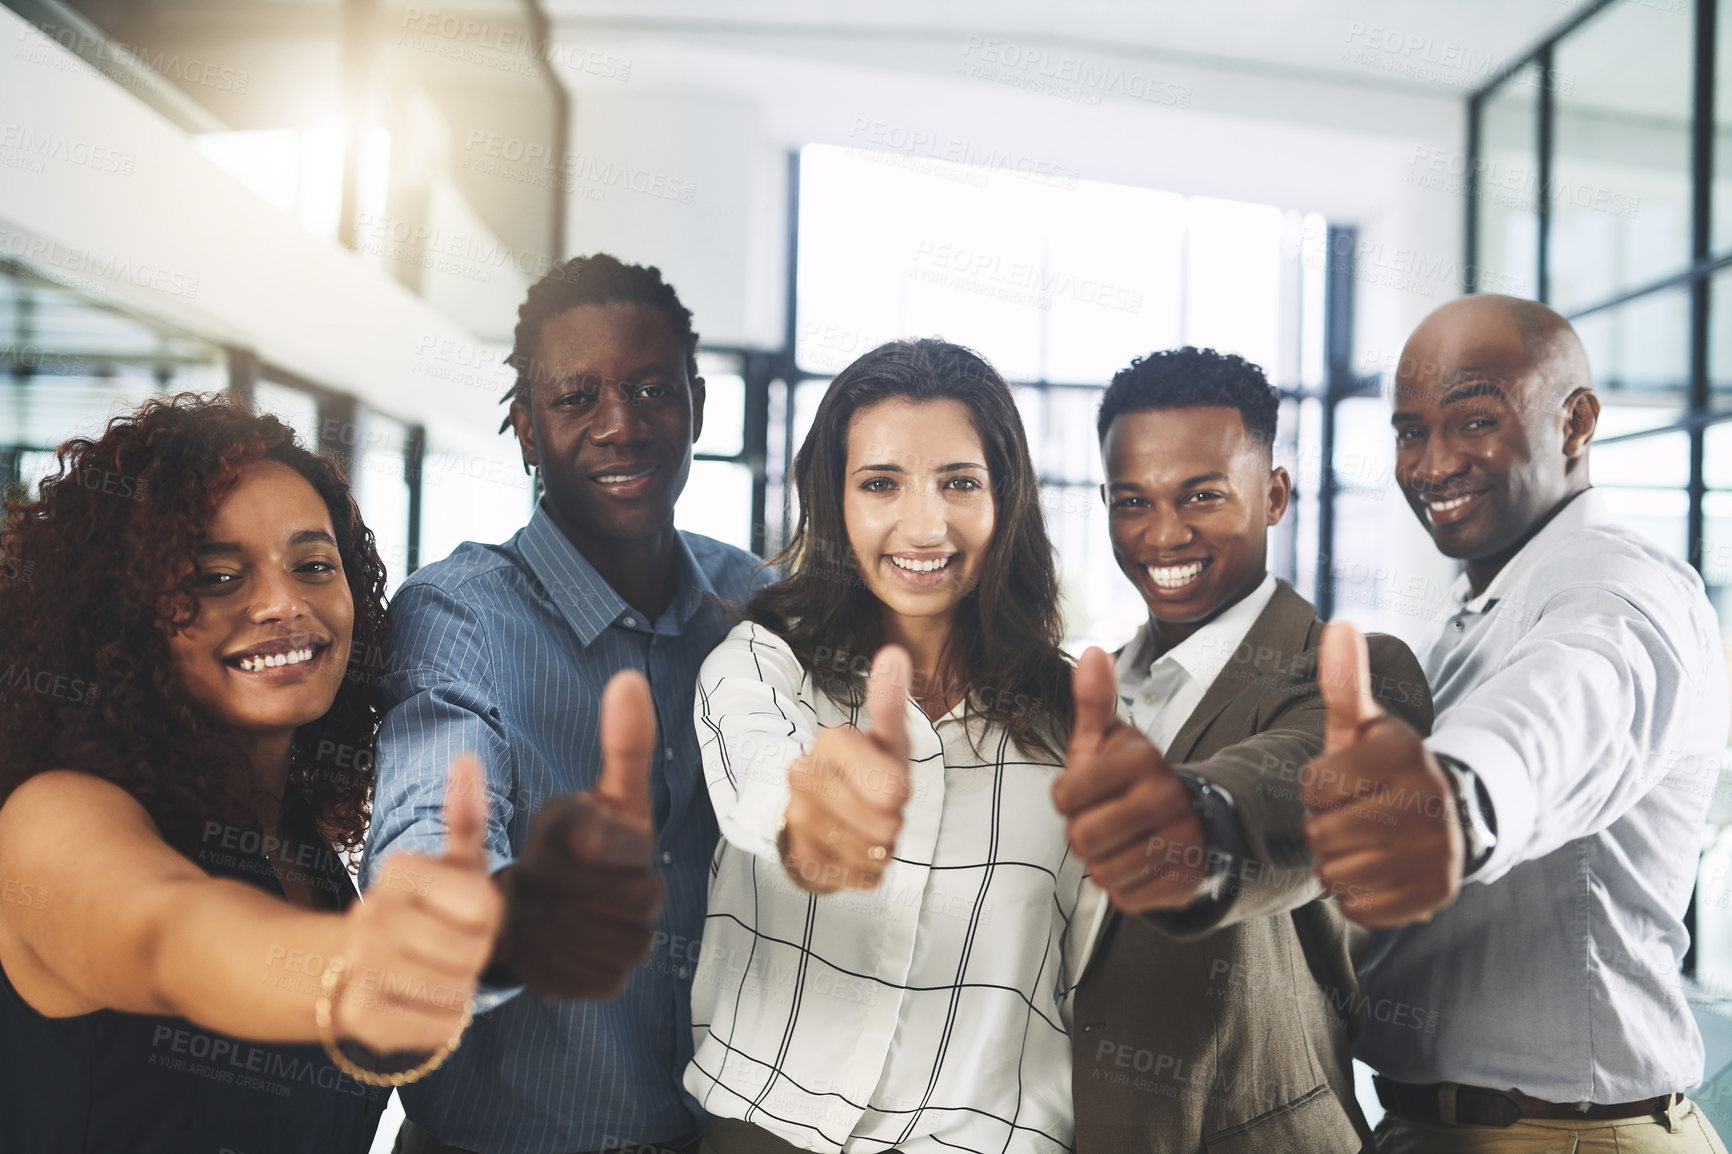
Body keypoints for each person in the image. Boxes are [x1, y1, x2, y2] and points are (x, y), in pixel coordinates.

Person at [0, 395, 503, 1153]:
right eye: (216, 576)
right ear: (120, 611)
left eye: (312, 566)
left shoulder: (301, 844)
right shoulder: (52, 819)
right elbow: (172, 940)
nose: (283, 604)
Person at [1299, 294, 1732, 1152]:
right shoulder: (1467, 620)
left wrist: (1451, 802)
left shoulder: (1616, 588)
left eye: (1473, 420)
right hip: (1443, 1125)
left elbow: (1563, 711)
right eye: (1409, 431)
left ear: (1577, 424)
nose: (1432, 463)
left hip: (1563, 1137)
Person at [365, 253, 770, 1154]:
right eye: (576, 396)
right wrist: (492, 916)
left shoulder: (755, 604)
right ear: (525, 430)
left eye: (652, 390)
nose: (621, 425)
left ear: (697, 406)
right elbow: (428, 821)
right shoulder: (459, 616)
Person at [687, 339, 1082, 1153]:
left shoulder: (1073, 719)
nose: (924, 525)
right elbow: (759, 785)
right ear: (833, 502)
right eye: (880, 484)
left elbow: (1098, 975)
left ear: (1006, 498)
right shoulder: (763, 662)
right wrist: (816, 811)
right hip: (764, 1132)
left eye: (959, 483)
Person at [1052, 347, 1433, 1153]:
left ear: (1275, 495)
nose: (1163, 534)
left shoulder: (1357, 677)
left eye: (1202, 496)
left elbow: (1299, 790)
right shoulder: (1084, 696)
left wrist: (1198, 826)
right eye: (1132, 501)